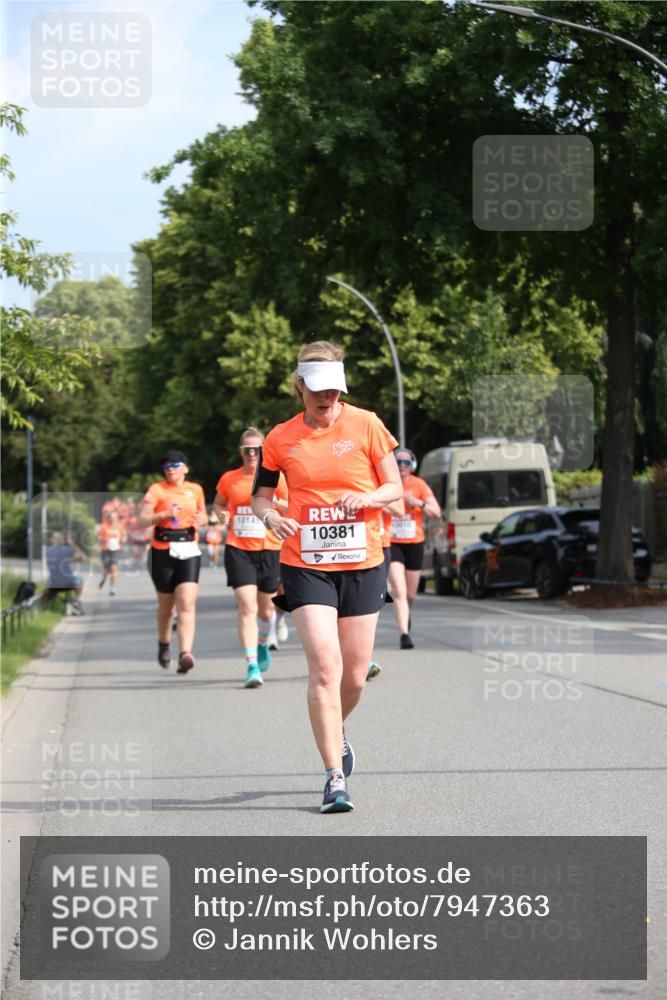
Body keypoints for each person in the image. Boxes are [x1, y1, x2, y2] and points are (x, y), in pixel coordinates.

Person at [251, 341, 401, 813]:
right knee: (325, 668)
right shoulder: (280, 438)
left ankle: (337, 726)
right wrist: (270, 519)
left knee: (354, 676)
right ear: (299, 387)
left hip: (362, 559)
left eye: (335, 392)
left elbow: (394, 485)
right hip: (306, 561)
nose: (327, 400)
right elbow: (260, 497)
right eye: (318, 391)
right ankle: (334, 777)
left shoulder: (367, 423)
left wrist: (370, 499)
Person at [213, 428, 288, 689]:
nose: (252, 454)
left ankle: (262, 642)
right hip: (239, 548)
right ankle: (252, 664)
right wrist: (221, 516)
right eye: (247, 450)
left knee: (266, 611)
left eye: (257, 449)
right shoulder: (229, 479)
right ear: (240, 451)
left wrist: (277, 504)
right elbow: (219, 504)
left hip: (269, 548)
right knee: (247, 606)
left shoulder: (275, 479)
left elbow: (294, 507)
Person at [138, 450, 207, 673]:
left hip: (188, 550)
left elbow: (204, 516)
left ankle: (185, 653)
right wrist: (164, 514)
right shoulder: (157, 490)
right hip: (162, 552)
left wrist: (202, 519)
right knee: (166, 606)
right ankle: (164, 644)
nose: (170, 468)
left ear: (185, 468)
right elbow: (142, 521)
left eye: (175, 464)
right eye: (166, 465)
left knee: (187, 602)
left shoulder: (195, 490)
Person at [389, 448, 441, 649]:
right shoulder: (386, 484)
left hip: (415, 543)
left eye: (406, 463)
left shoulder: (419, 485)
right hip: (392, 543)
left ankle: (405, 615)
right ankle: (404, 634)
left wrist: (418, 503)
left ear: (412, 466)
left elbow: (436, 512)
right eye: (398, 462)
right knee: (399, 591)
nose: (402, 466)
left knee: (410, 595)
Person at [44, 531, 87, 614]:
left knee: (49, 580)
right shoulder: (67, 550)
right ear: (62, 541)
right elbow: (83, 558)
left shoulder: (48, 551)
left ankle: (46, 607)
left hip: (54, 585)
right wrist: (72, 544)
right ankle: (77, 601)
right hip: (69, 584)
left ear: (52, 541)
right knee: (80, 579)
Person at [97, 510, 125, 595]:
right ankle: (104, 578)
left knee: (113, 569)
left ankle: (113, 588)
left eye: (113, 517)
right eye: (110, 517)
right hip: (105, 550)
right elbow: (98, 537)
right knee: (106, 569)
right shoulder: (103, 527)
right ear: (107, 518)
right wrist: (104, 540)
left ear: (116, 518)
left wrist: (122, 542)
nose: (111, 519)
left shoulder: (120, 526)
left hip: (115, 550)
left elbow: (123, 537)